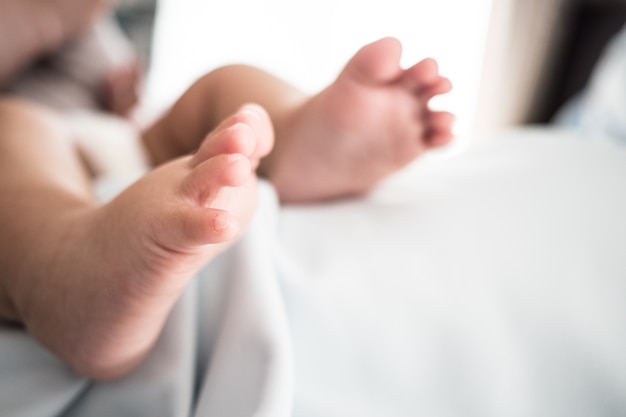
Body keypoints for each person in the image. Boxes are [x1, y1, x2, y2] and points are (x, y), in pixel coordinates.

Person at [0, 0, 454, 380]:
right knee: (13, 125)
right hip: (35, 161)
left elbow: (109, 72)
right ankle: (71, 268)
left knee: (219, 88)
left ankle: (296, 133)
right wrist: (42, 19)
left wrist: (114, 78)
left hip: (123, 140)